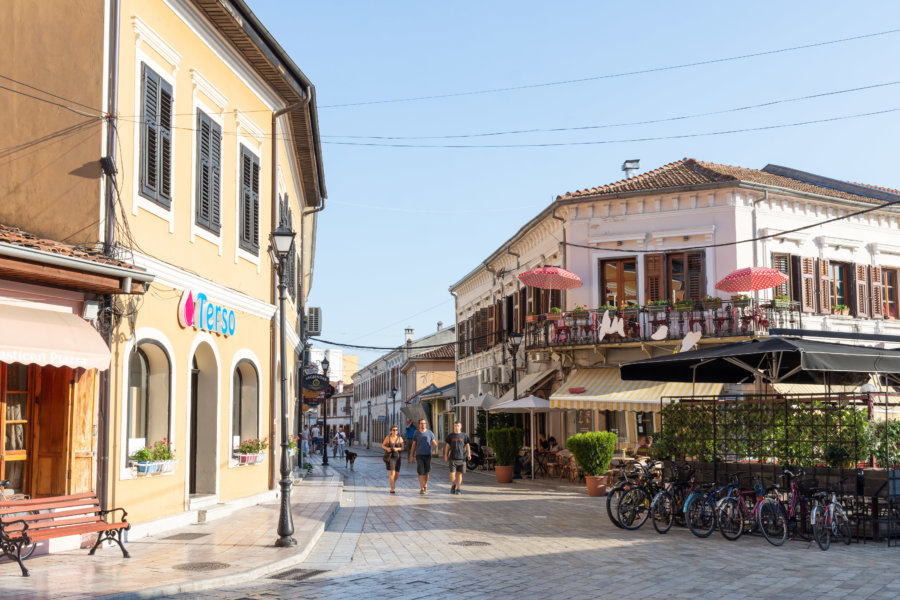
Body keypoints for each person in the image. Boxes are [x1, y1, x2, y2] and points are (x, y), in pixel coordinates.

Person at [409, 419, 437, 494]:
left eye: (424, 423)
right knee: (421, 472)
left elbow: (434, 443)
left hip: (428, 454)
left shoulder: (430, 433)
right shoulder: (416, 433)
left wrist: (434, 449)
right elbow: (413, 445)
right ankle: (421, 488)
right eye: (421, 423)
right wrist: (412, 456)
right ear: (419, 425)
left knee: (427, 472)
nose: (423, 425)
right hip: (419, 455)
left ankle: (425, 485)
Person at [443, 421, 471, 495]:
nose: (456, 427)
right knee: (452, 475)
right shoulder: (450, 436)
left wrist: (469, 454)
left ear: (461, 426)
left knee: (459, 474)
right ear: (454, 426)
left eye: (458, 425)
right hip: (452, 458)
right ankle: (453, 485)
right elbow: (447, 446)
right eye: (455, 425)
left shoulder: (464, 435)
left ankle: (458, 489)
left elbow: (467, 445)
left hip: (462, 458)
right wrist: (445, 455)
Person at [381, 425, 405, 493]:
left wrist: (397, 448)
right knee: (392, 473)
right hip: (390, 457)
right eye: (394, 430)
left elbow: (403, 448)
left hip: (398, 457)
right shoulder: (387, 438)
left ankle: (393, 483)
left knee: (396, 474)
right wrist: (387, 448)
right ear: (391, 431)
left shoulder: (400, 438)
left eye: (396, 430)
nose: (395, 431)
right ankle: (392, 489)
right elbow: (383, 445)